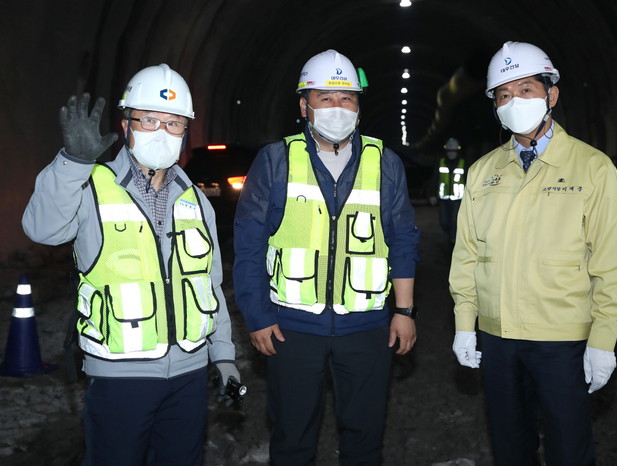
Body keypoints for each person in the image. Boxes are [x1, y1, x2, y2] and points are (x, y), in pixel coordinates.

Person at [22, 64, 239, 465]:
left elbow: (209, 285)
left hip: (189, 375)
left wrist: (223, 357)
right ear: (126, 126)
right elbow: (42, 229)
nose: (161, 132)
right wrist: (72, 163)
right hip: (119, 375)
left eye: (173, 123)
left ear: (185, 132)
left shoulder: (195, 200)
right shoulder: (91, 186)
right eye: (149, 120)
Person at [449, 41, 617, 465]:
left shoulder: (592, 166)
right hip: (497, 337)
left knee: (569, 448)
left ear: (551, 94)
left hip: (562, 339)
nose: (515, 101)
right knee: (510, 447)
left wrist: (603, 339)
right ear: (495, 105)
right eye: (504, 94)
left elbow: (611, 262)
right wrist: (464, 323)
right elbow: (467, 255)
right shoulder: (483, 172)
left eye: (526, 89)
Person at [233, 49, 420, 465]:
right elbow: (249, 245)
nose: (337, 107)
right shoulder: (276, 160)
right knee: (292, 436)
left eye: (346, 98)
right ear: (305, 106)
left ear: (359, 106)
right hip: (291, 327)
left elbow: (403, 241)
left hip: (366, 326)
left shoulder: (385, 163)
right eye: (325, 98)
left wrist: (404, 311)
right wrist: (257, 316)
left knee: (365, 437)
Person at [429, 137, 467, 242]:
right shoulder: (440, 162)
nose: (451, 153)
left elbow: (469, 181)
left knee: (454, 221)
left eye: (453, 150)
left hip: (458, 200)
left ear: (457, 151)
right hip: (443, 199)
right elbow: (434, 179)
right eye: (449, 150)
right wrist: (431, 194)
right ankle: (450, 235)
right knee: (444, 222)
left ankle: (453, 239)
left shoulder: (464, 163)